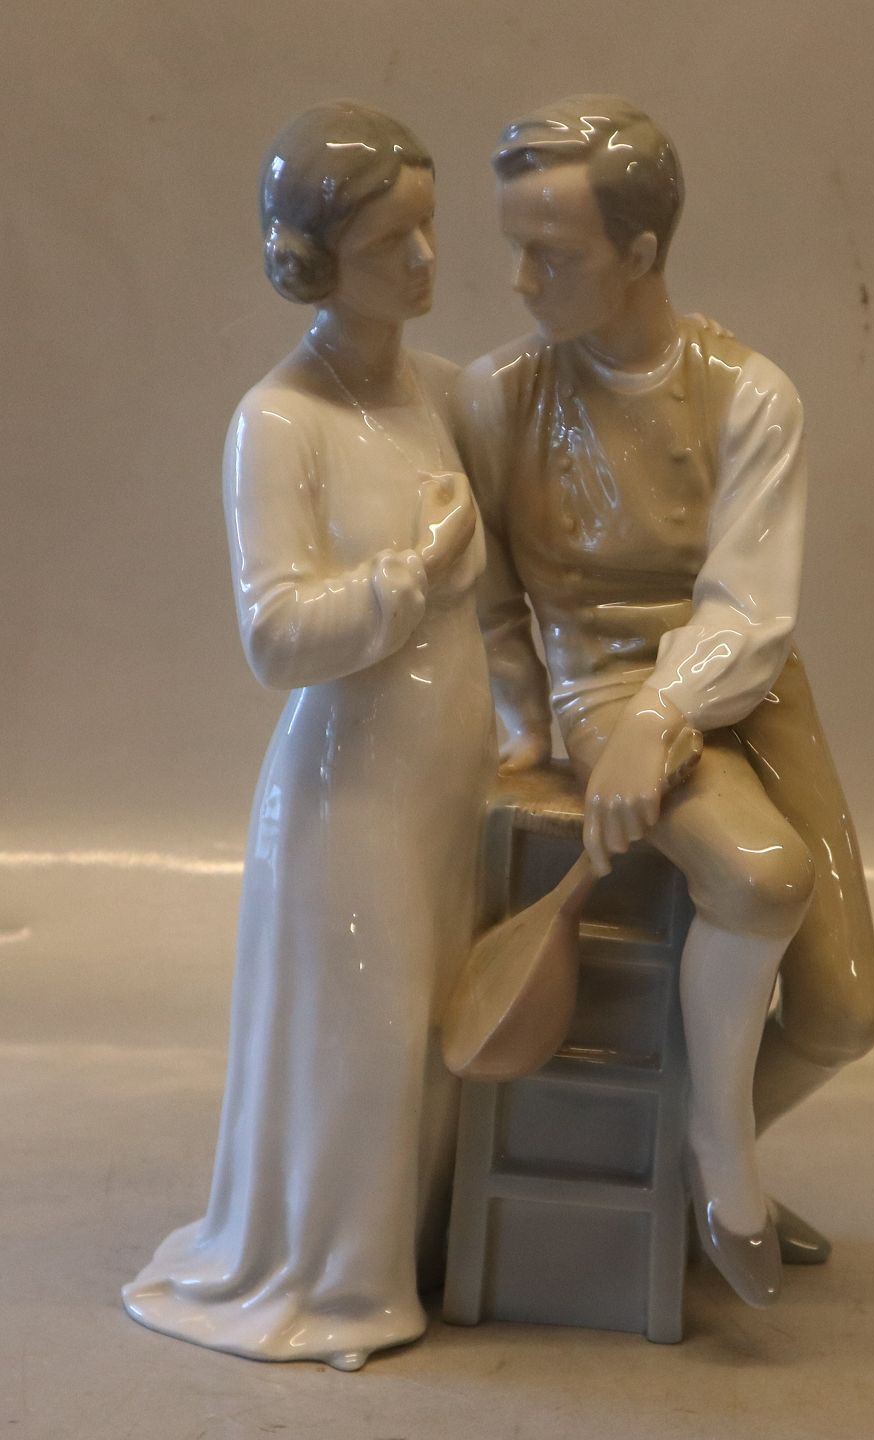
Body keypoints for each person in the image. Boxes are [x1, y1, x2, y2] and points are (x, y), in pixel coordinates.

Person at [457, 96, 874, 1307]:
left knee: (848, 1012)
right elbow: (489, 594)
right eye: (514, 246)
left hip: (747, 687)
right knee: (763, 876)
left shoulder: (750, 394)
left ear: (641, 252)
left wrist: (670, 714)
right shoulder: (500, 396)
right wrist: (529, 723)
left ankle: (682, 1154)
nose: (520, 280)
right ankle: (716, 1159)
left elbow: (750, 605)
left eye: (553, 254)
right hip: (601, 680)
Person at [122, 102, 494, 1369]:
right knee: (365, 1034)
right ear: (317, 262)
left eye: (431, 228)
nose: (426, 261)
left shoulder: (445, 394)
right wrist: (412, 577)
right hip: (353, 788)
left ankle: (427, 1240)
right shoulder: (280, 422)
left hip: (454, 768)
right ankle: (339, 1279)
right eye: (393, 242)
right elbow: (276, 635)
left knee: (443, 1021)